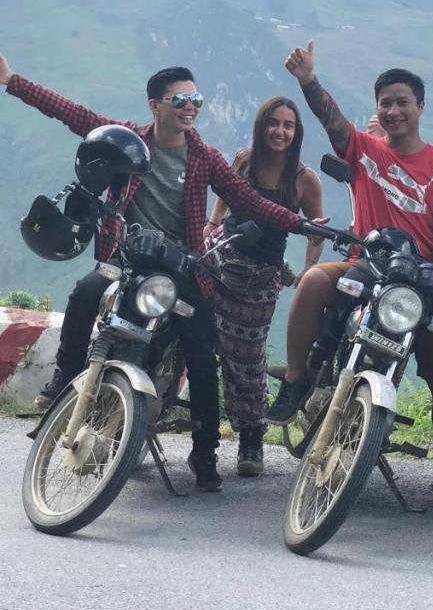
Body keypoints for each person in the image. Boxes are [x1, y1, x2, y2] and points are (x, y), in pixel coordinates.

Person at [0, 56, 310, 491]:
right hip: (124, 258)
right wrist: (13, 81)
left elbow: (246, 199)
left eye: (196, 99)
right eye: (181, 99)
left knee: (202, 354)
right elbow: (76, 116)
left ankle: (205, 453)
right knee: (85, 293)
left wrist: (303, 224)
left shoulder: (204, 157)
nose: (191, 106)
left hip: (183, 268)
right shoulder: (128, 141)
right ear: (155, 105)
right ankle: (62, 385)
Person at [264, 42, 433, 498]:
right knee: (315, 280)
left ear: (420, 106)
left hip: (423, 279)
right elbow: (331, 119)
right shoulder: (363, 150)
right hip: (368, 264)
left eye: (403, 102)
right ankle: (298, 379)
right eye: (386, 103)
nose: (394, 111)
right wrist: (307, 80)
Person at [202, 96, 326, 477]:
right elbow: (224, 194)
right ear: (261, 125)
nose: (280, 131)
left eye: (288, 125)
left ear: (296, 133)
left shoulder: (304, 179)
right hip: (219, 260)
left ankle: (251, 438)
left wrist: (308, 272)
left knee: (246, 360)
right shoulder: (243, 160)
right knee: (191, 335)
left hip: (259, 278)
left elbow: (316, 227)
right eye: (273, 123)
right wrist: (212, 222)